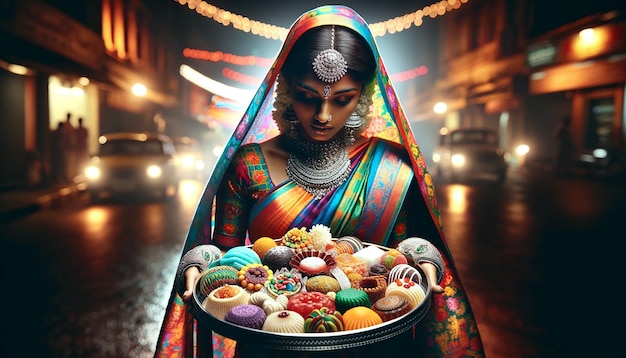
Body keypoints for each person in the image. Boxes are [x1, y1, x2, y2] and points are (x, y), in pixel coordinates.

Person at [155, 5, 484, 358]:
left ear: (364, 95)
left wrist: (426, 258)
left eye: (343, 100)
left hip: (374, 339)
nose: (324, 116)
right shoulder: (249, 164)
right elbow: (227, 257)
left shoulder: (391, 165)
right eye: (307, 98)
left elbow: (403, 251)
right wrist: (198, 262)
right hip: (273, 339)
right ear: (286, 89)